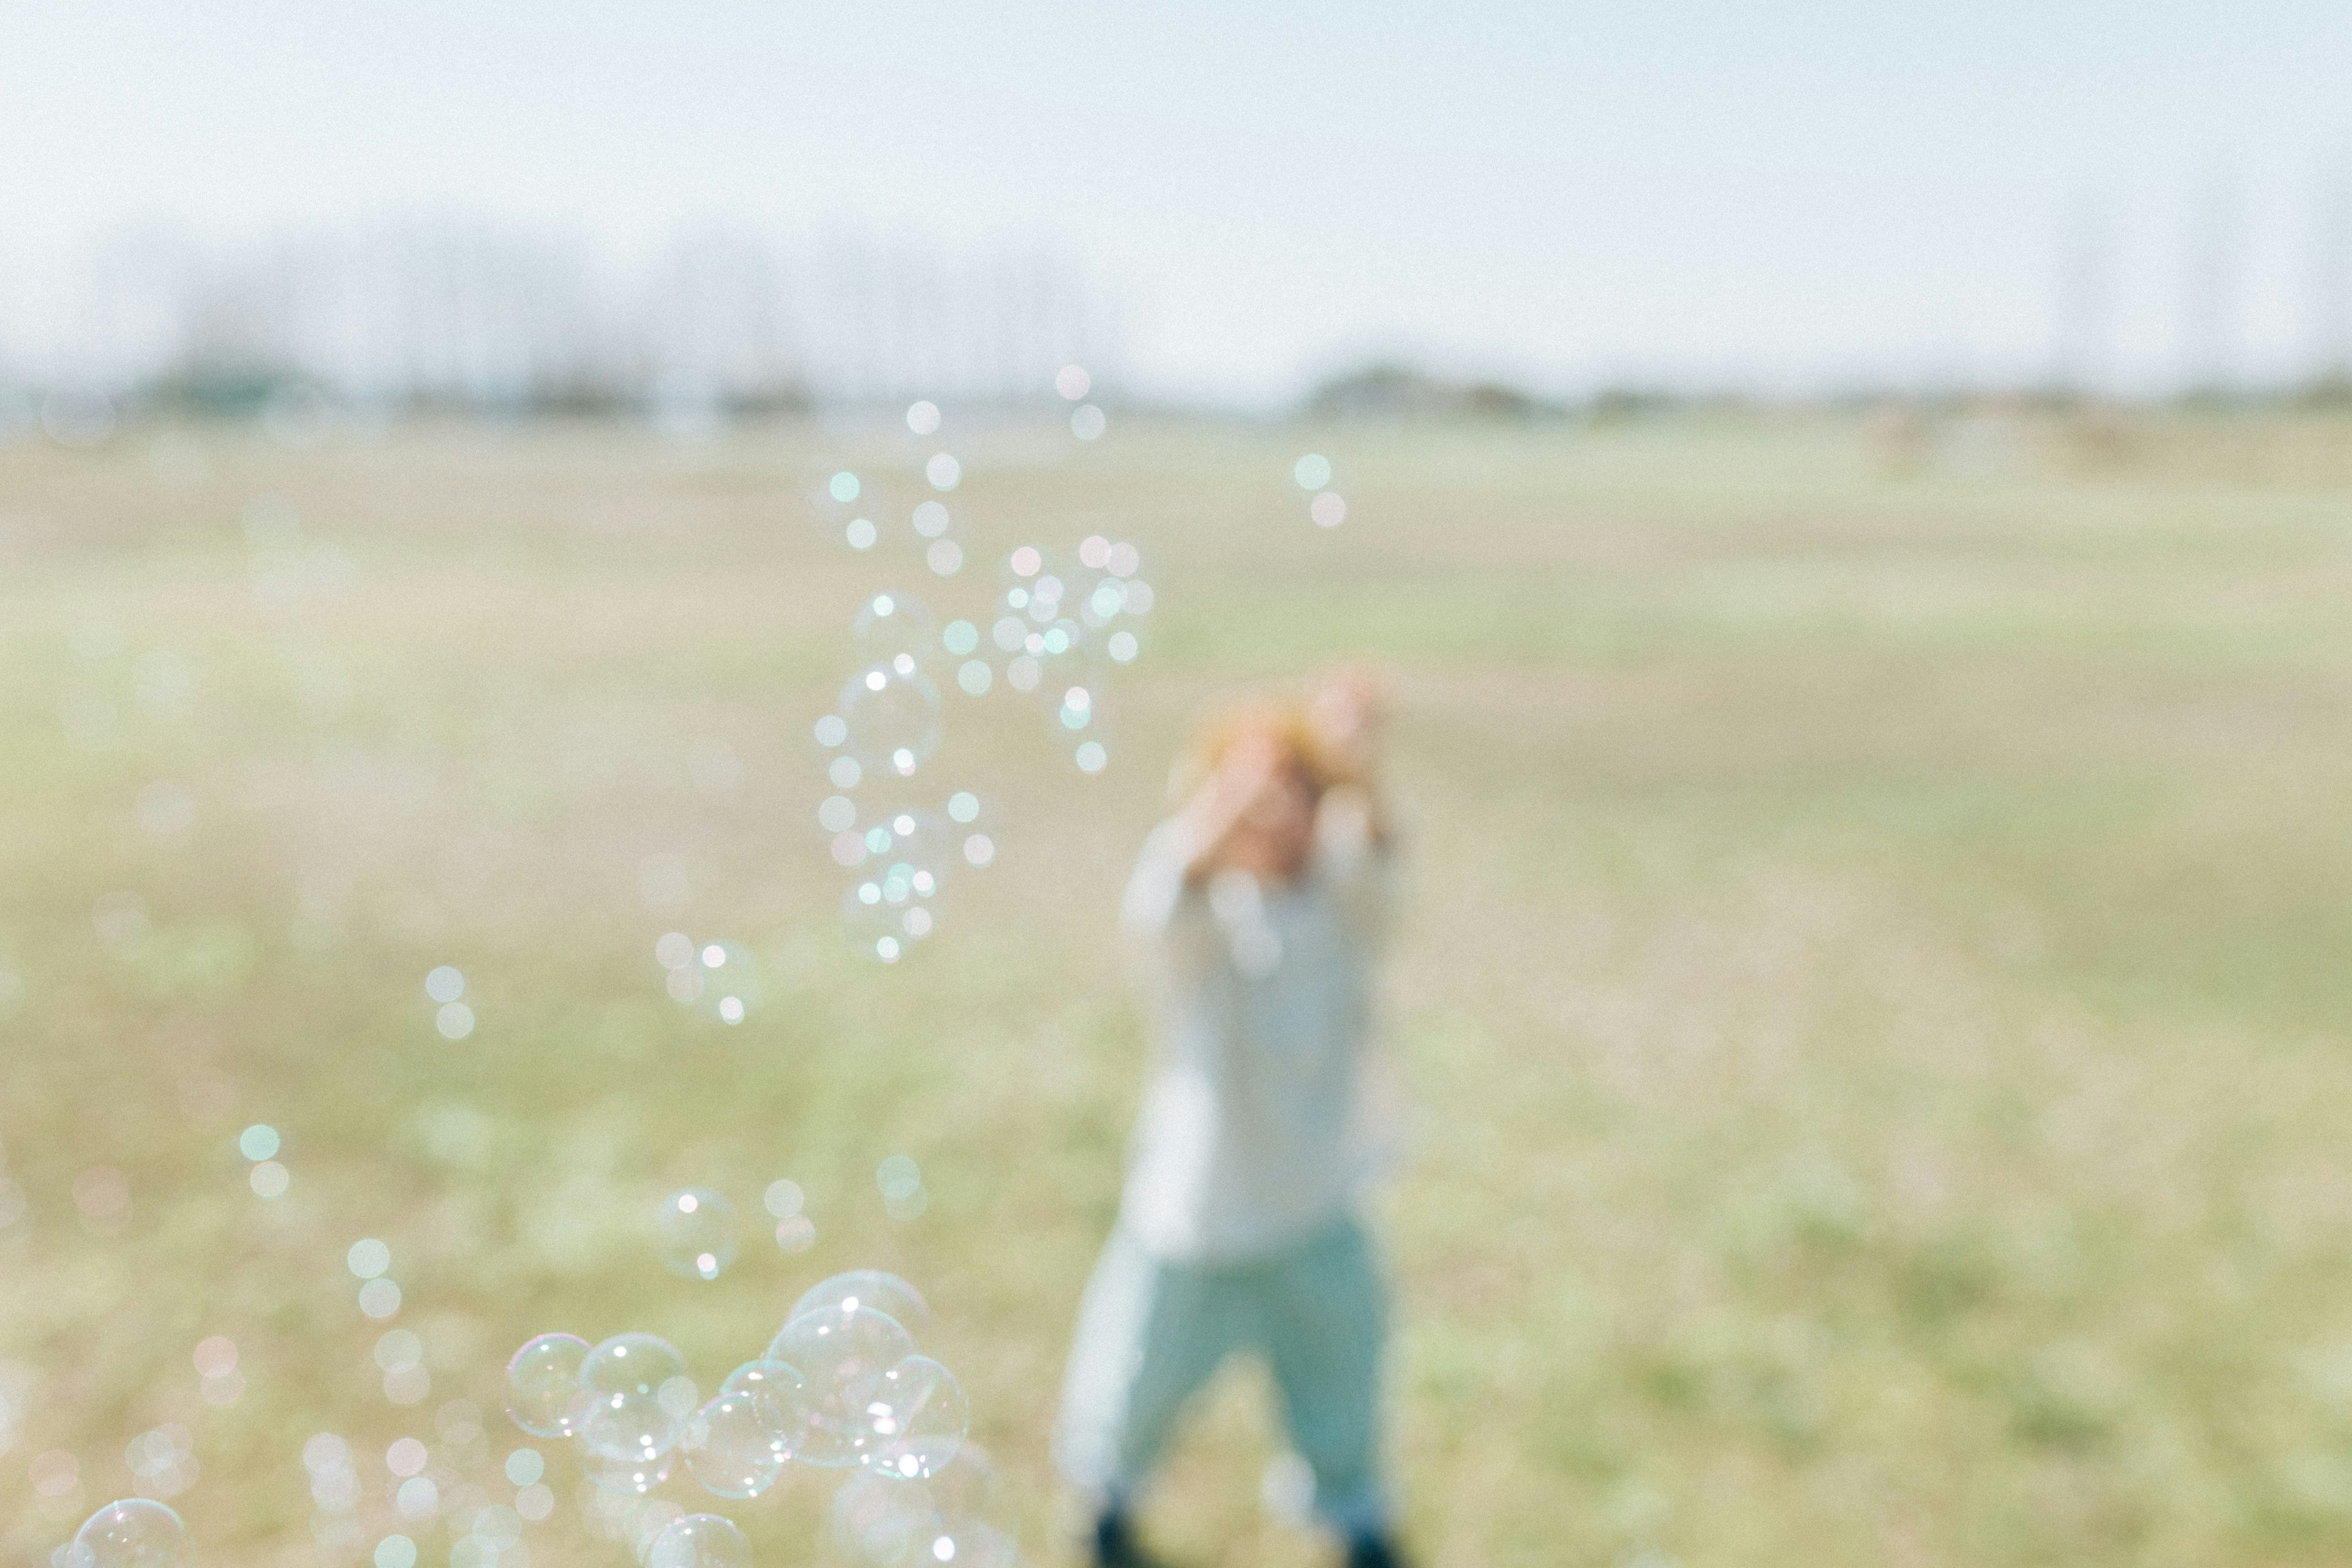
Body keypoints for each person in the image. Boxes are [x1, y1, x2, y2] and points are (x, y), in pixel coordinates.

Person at [1054, 668, 1409, 1568]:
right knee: (1138, 1380)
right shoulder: (1204, 916)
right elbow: (1162, 896)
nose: (1268, 808)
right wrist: (1231, 801)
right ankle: (1108, 1504)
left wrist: (1352, 765)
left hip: (1319, 1203)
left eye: (1291, 787)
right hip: (1198, 1213)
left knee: (1342, 1382)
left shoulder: (1342, 905)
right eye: (1242, 791)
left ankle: (1352, 1513)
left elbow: (1382, 860)